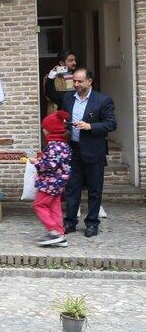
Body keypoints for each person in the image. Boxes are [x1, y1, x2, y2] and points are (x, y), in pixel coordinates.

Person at [43, 66, 116, 237]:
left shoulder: (103, 101)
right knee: (71, 188)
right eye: (74, 81)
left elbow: (111, 124)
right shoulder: (68, 98)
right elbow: (52, 96)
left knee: (94, 189)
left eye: (79, 81)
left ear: (89, 82)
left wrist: (89, 126)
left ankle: (91, 223)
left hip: (94, 151)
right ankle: (70, 222)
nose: (76, 84)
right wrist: (52, 76)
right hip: (73, 150)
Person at [34, 111, 73, 248]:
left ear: (50, 130)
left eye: (44, 128)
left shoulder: (53, 146)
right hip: (59, 182)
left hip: (50, 182)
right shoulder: (63, 145)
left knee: (39, 205)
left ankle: (53, 232)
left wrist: (36, 162)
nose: (43, 130)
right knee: (54, 206)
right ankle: (61, 235)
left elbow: (50, 165)